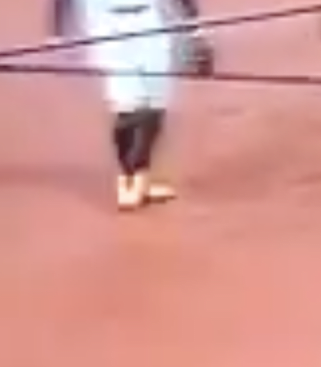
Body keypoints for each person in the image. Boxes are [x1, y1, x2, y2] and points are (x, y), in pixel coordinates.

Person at [49, 0, 214, 211]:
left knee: (156, 103)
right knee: (128, 107)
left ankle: (141, 180)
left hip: (149, 25)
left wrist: (196, 32)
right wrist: (58, 35)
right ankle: (127, 181)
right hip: (107, 28)